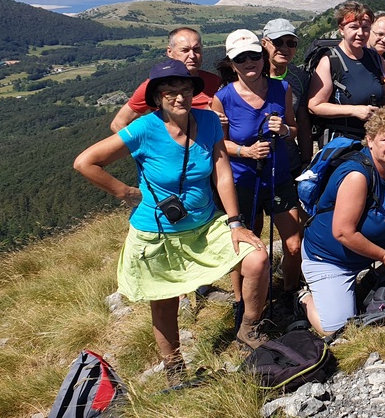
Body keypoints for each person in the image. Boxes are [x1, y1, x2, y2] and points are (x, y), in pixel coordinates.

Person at [74, 59, 271, 381]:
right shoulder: (144, 128)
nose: (179, 97)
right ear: (157, 97)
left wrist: (235, 223)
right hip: (157, 234)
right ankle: (175, 368)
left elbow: (222, 174)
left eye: (185, 89)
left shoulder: (208, 121)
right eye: (169, 92)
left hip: (205, 224)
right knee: (164, 302)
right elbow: (85, 162)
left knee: (257, 259)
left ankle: (248, 329)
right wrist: (125, 192)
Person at [299, 108, 385, 334]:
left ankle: (372, 279)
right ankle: (304, 297)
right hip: (332, 257)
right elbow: (343, 232)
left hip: (376, 245)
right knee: (337, 328)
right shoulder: (357, 175)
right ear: (370, 141)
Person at [211, 29, 303, 310]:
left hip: (278, 178)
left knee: (294, 244)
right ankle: (243, 302)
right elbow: (219, 145)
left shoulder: (282, 89)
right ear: (232, 64)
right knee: (247, 247)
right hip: (243, 182)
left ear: (263, 57)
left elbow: (293, 129)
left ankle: (290, 294)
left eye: (253, 55)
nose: (249, 62)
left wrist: (284, 130)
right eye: (241, 58)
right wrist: (246, 152)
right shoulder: (223, 98)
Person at [306, 0, 385, 145]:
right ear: (341, 29)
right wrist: (354, 111)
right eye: (354, 27)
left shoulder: (376, 59)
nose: (361, 33)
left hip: (374, 139)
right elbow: (314, 106)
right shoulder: (330, 61)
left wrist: (384, 113)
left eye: (365, 28)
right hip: (341, 140)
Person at [110, 27, 221, 132]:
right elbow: (118, 123)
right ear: (169, 52)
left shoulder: (215, 82)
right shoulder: (155, 85)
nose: (192, 55)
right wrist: (147, 145)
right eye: (185, 50)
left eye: (196, 49)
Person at [262, 18, 313, 173]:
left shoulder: (300, 77)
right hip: (255, 159)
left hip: (289, 161)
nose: (285, 48)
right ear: (264, 43)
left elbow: (303, 121)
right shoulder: (250, 74)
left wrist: (306, 161)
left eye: (291, 43)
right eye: (278, 42)